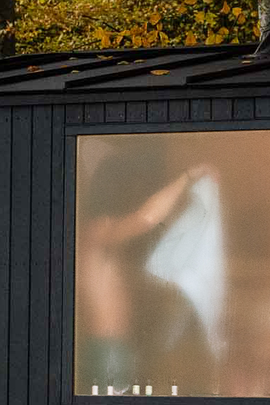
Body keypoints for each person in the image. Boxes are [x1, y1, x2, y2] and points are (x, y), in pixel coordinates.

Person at [77, 151, 212, 392]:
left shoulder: (101, 243)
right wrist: (187, 177)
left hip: (114, 348)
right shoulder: (97, 235)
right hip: (108, 351)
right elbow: (146, 219)